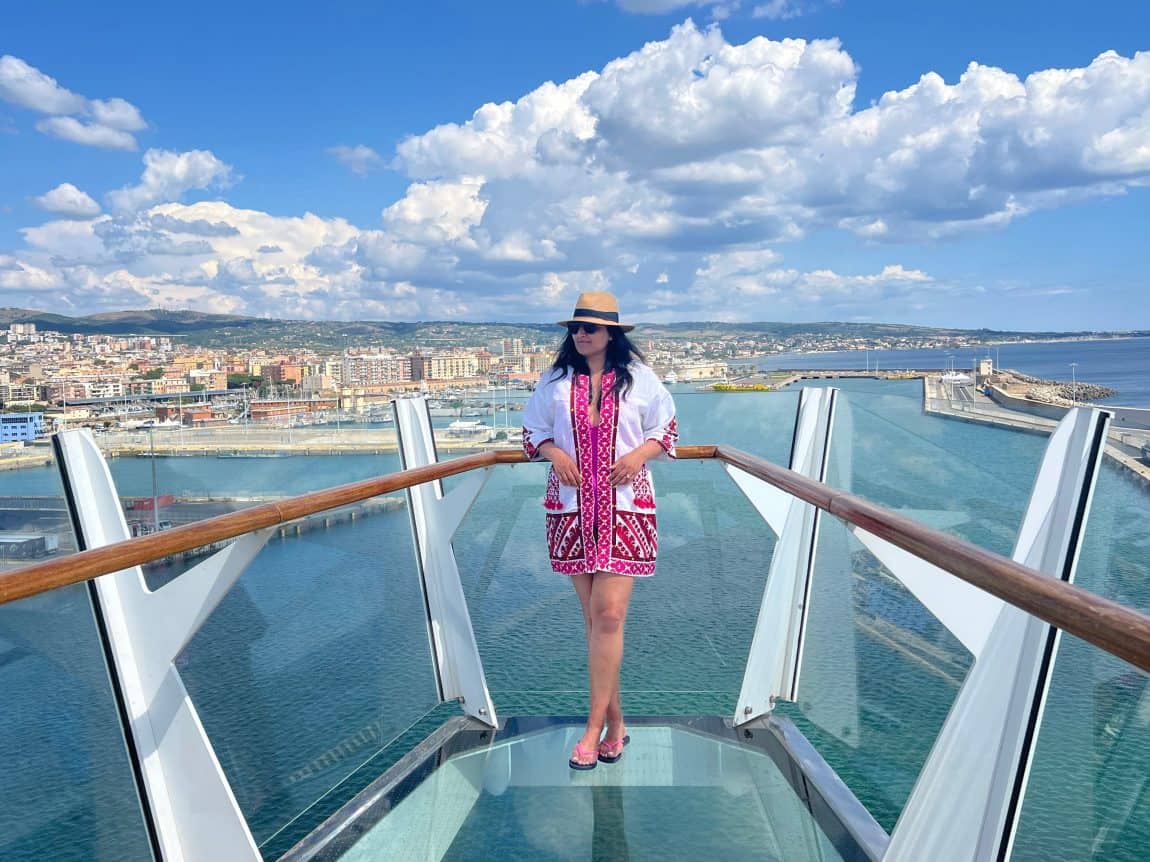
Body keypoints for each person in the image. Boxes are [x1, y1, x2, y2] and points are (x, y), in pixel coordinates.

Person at [521, 291, 678, 770]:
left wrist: (638, 455)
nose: (580, 335)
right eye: (576, 328)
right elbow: (531, 431)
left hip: (626, 509)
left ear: (612, 333)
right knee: (595, 624)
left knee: (608, 614)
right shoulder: (554, 382)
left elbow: (667, 430)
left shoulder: (641, 381)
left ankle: (592, 729)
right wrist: (556, 453)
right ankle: (616, 723)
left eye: (590, 328)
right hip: (571, 511)